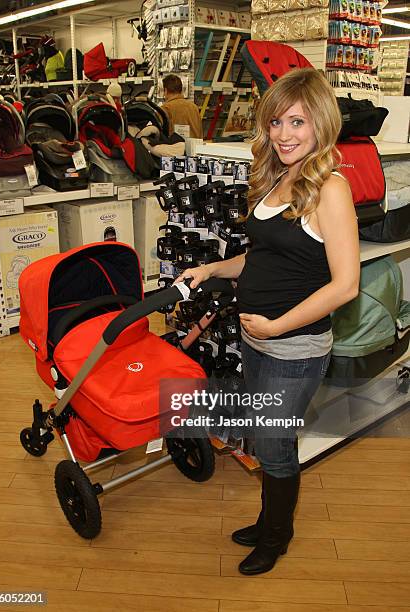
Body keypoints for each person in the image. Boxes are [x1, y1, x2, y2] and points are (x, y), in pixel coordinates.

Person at [175, 68, 360, 575]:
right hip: (257, 340)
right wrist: (214, 267)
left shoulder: (331, 189)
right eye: (276, 122)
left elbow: (346, 286)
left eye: (297, 122)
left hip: (293, 350)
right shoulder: (279, 174)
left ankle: (277, 536)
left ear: (320, 123)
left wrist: (277, 327)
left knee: (276, 447)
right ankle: (267, 520)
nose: (283, 134)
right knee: (263, 434)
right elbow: (263, 257)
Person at [161, 74, 203, 139]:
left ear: (166, 91)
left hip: (175, 148)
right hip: (195, 148)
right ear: (181, 90)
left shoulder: (165, 108)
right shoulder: (194, 107)